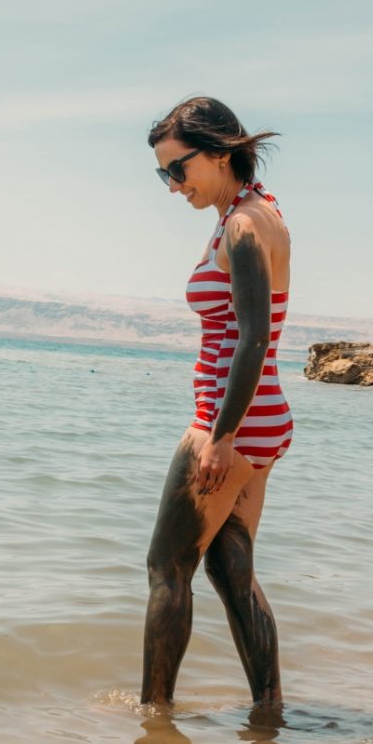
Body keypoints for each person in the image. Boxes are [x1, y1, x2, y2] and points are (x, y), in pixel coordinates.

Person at [141, 96, 293, 712]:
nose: (172, 185)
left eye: (177, 169)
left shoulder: (242, 225)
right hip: (261, 418)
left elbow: (253, 336)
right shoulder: (259, 212)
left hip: (229, 421)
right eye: (163, 174)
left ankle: (154, 721)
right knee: (231, 575)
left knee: (165, 568)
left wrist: (219, 436)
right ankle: (269, 712)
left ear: (221, 152)